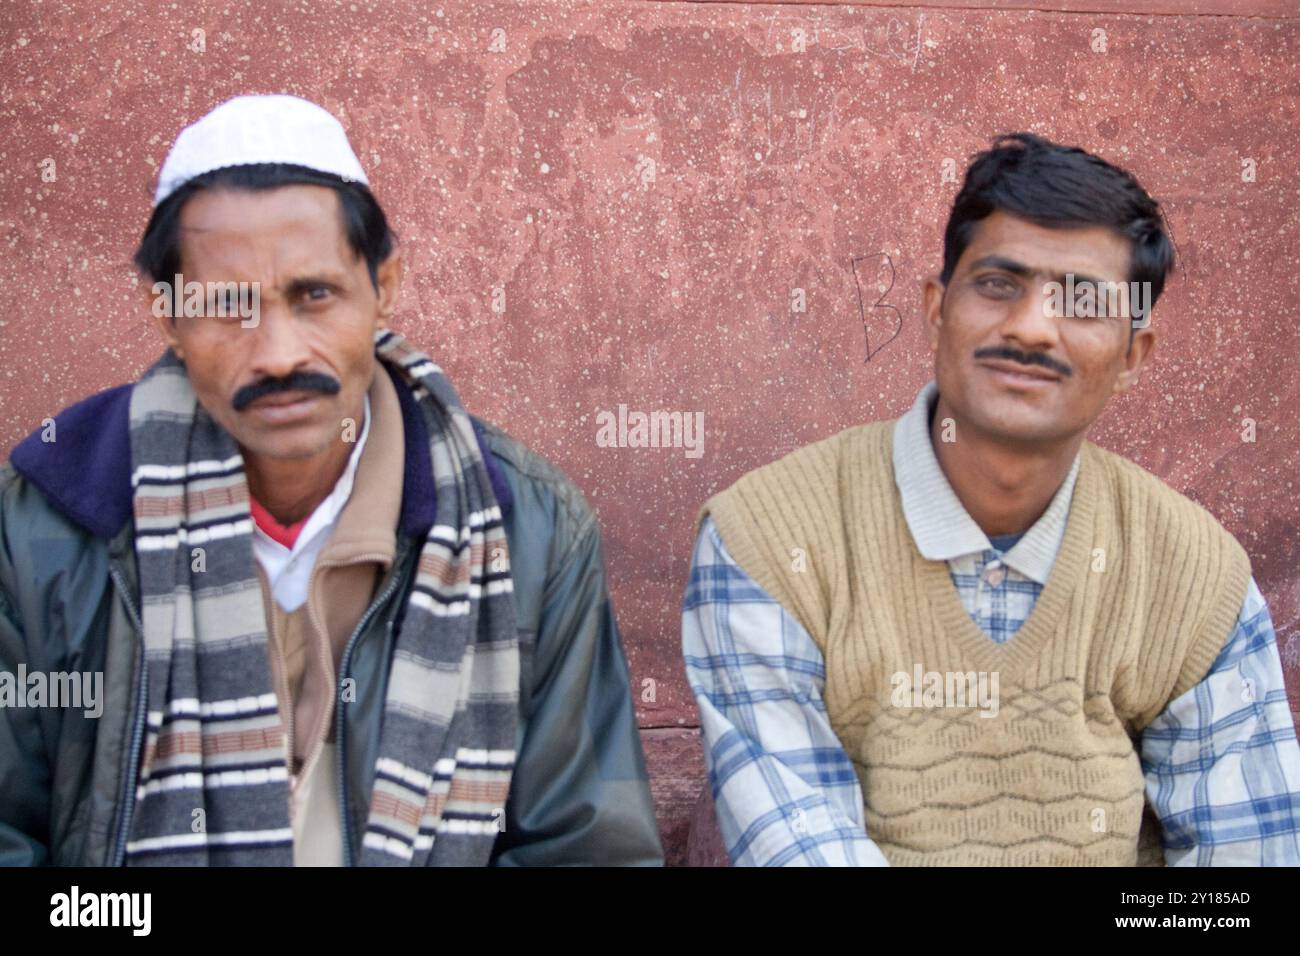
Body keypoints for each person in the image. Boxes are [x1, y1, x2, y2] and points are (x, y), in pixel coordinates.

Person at [0, 93, 662, 866]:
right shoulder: (47, 523)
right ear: (165, 313)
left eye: (314, 296)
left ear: (385, 285)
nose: (278, 353)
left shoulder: (528, 529)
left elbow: (589, 850)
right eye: (227, 305)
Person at [682, 132, 1300, 866]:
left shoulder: (1197, 578)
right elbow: (800, 848)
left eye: (1082, 302)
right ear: (937, 308)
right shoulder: (768, 541)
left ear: (1133, 356)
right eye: (999, 284)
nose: (1031, 327)